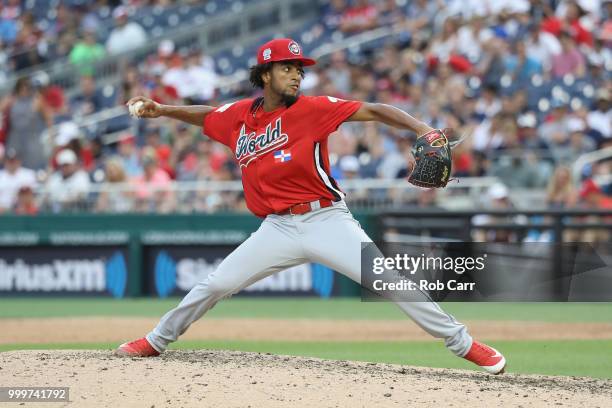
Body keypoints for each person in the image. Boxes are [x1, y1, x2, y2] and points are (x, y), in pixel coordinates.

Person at [115, 38, 506, 375]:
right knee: (215, 284)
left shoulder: (313, 109)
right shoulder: (239, 118)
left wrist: (421, 129)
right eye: (288, 68)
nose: (297, 75)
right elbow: (208, 117)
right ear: (265, 74)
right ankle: (156, 340)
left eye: (299, 69)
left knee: (391, 283)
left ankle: (463, 344)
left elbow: (373, 109)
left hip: (326, 219)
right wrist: (163, 110)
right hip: (276, 229)